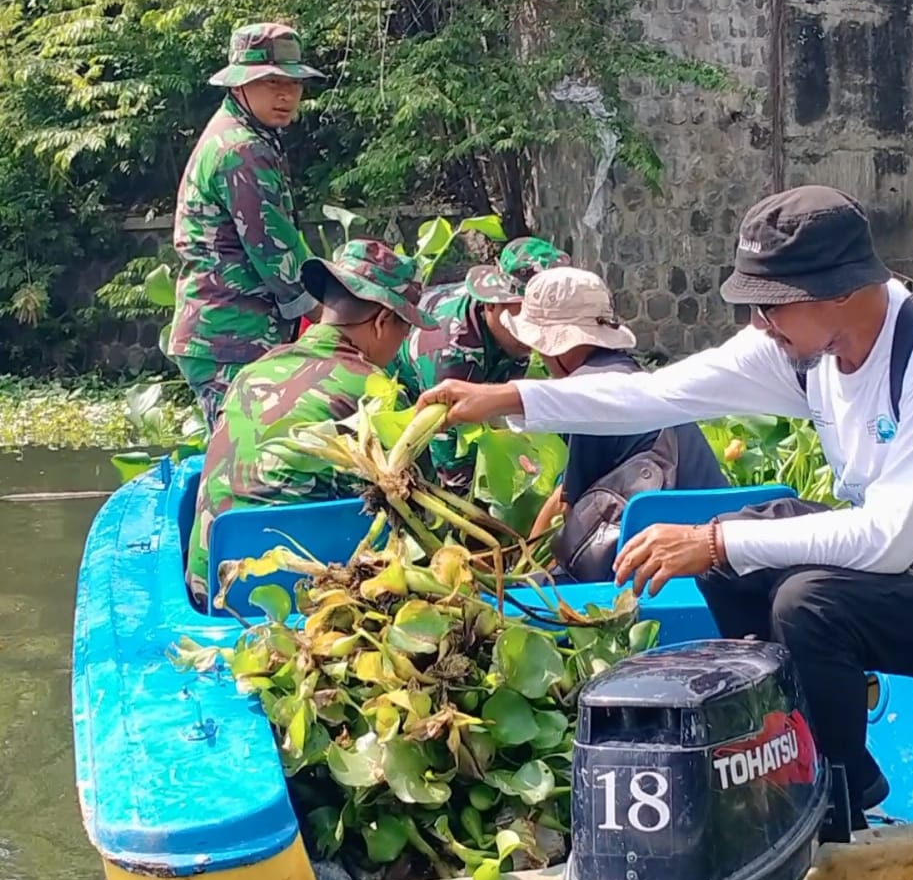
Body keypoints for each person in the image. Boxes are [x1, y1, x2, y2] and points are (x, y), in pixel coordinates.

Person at [415, 185, 913, 828]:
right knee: (738, 552)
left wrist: (715, 539)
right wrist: (510, 401)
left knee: (804, 600)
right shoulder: (803, 351)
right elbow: (656, 395)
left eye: (771, 305)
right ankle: (779, 738)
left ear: (840, 289)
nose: (758, 323)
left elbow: (887, 537)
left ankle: (837, 799)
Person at [185, 240, 439, 604]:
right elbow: (420, 517)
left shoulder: (251, 373)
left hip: (211, 590)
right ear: (383, 322)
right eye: (404, 331)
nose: (402, 344)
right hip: (314, 603)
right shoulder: (377, 393)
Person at [503, 266, 730, 581]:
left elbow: (569, 510)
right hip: (713, 547)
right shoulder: (630, 376)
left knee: (535, 591)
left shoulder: (588, 394)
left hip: (663, 563)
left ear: (553, 347)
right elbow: (565, 493)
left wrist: (523, 567)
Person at [167, 22, 327, 429]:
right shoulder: (243, 149)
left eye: (293, 83)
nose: (286, 94)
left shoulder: (247, 134)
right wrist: (336, 314)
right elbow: (276, 253)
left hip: (234, 332)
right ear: (239, 85)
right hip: (231, 336)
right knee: (245, 457)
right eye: (270, 81)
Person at [390, 236, 572, 493]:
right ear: (491, 304)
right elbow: (448, 450)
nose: (536, 332)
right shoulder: (451, 352)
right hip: (405, 386)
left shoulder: (512, 331)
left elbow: (503, 401)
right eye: (526, 317)